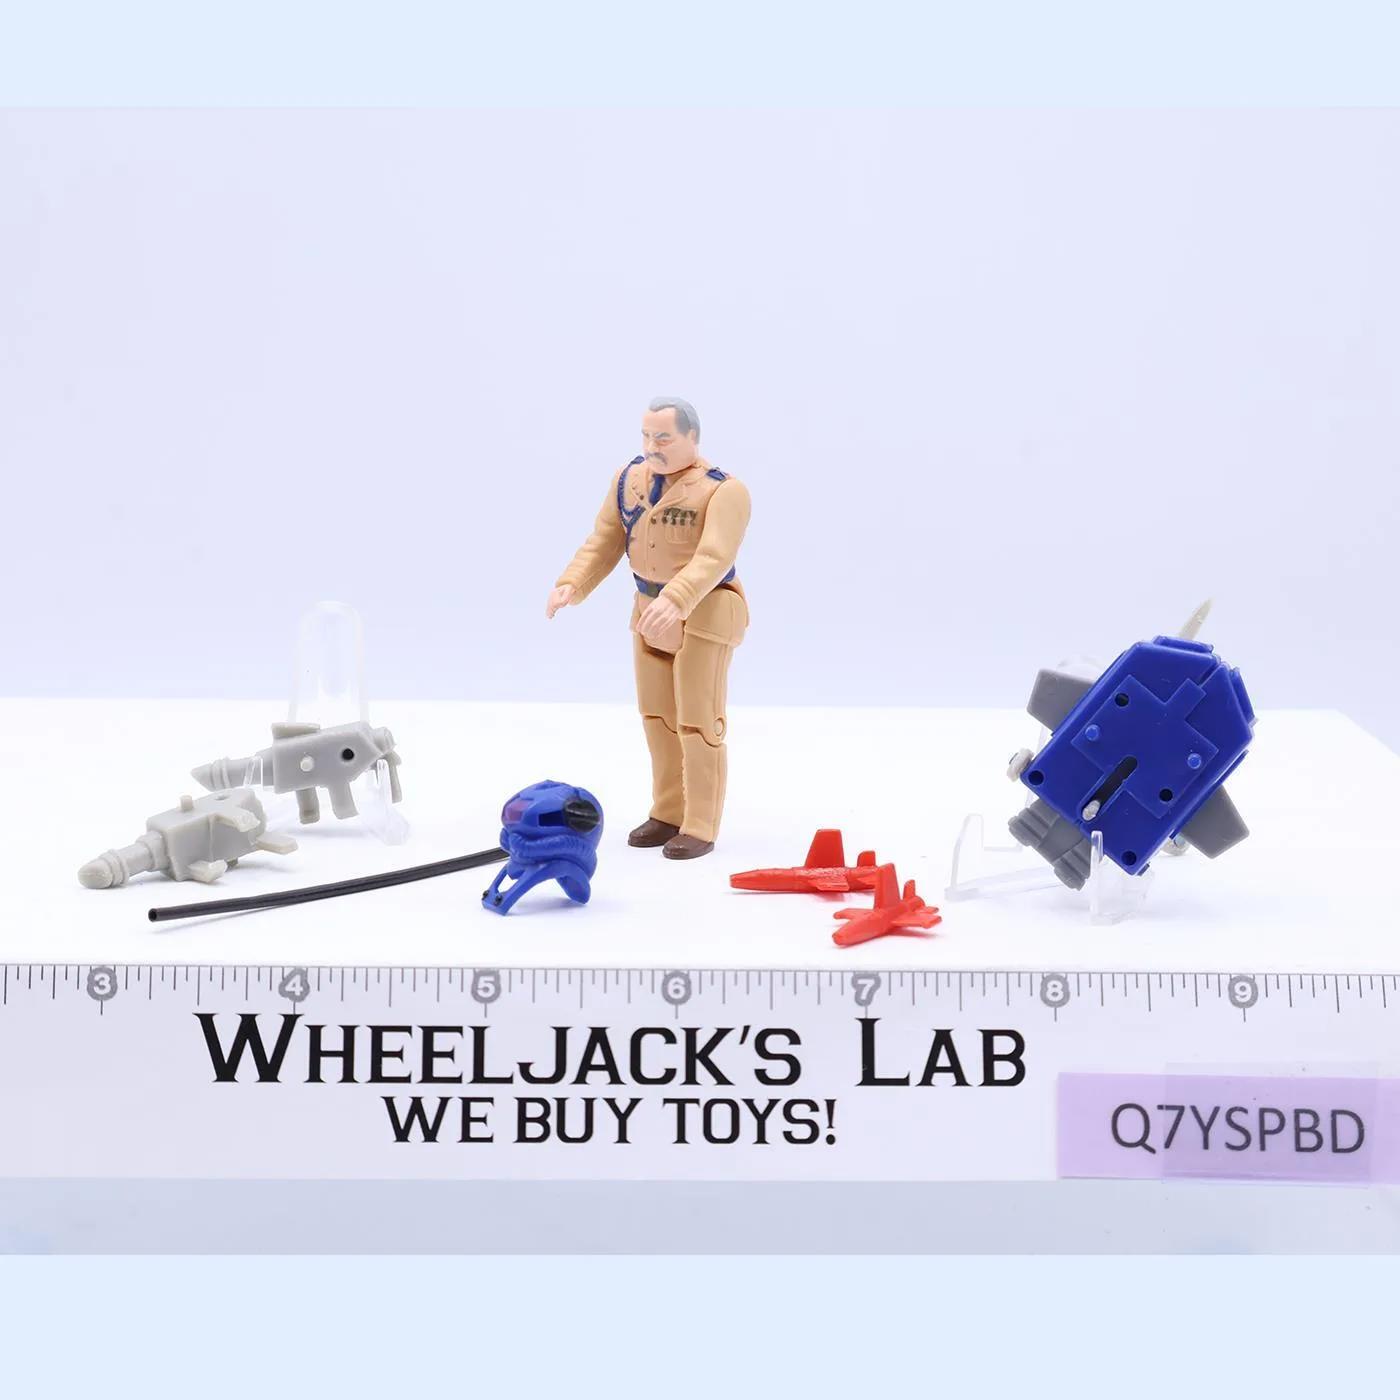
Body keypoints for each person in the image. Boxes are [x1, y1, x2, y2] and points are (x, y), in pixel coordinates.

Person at [547, 397, 750, 859]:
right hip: (648, 608)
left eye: (664, 437)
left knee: (697, 722)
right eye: (646, 436)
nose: (652, 446)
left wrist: (678, 597)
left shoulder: (723, 491)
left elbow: (714, 556)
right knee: (658, 717)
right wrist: (572, 583)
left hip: (706, 611)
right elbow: (605, 540)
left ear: (692, 438)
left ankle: (700, 824)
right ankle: (668, 812)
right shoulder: (629, 479)